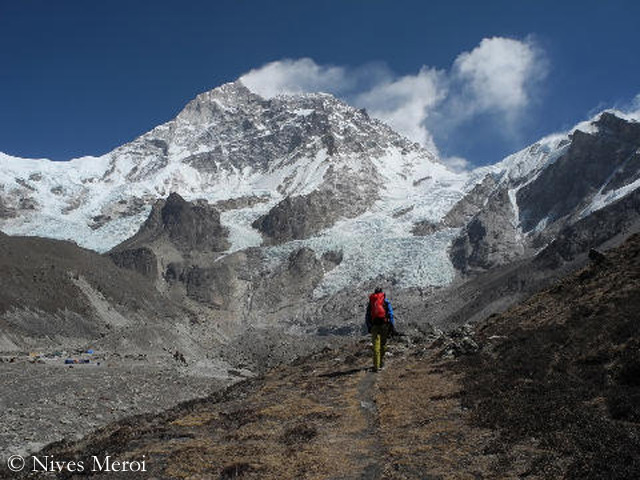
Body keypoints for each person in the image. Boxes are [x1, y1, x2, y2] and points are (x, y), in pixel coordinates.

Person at [365, 287, 396, 372]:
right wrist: (392, 326)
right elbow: (390, 314)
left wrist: (369, 327)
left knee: (376, 346)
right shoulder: (385, 302)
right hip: (384, 326)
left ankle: (376, 367)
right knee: (383, 345)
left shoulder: (371, 303)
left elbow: (367, 316)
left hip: (374, 326)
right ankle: (381, 363)